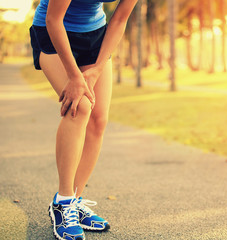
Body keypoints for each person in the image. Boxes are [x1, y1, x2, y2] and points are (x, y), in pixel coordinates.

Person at [30, 0, 137, 239]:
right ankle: (63, 202)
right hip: (53, 33)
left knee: (99, 118)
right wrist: (74, 76)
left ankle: (75, 201)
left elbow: (119, 19)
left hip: (95, 36)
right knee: (80, 106)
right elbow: (53, 19)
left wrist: (97, 69)